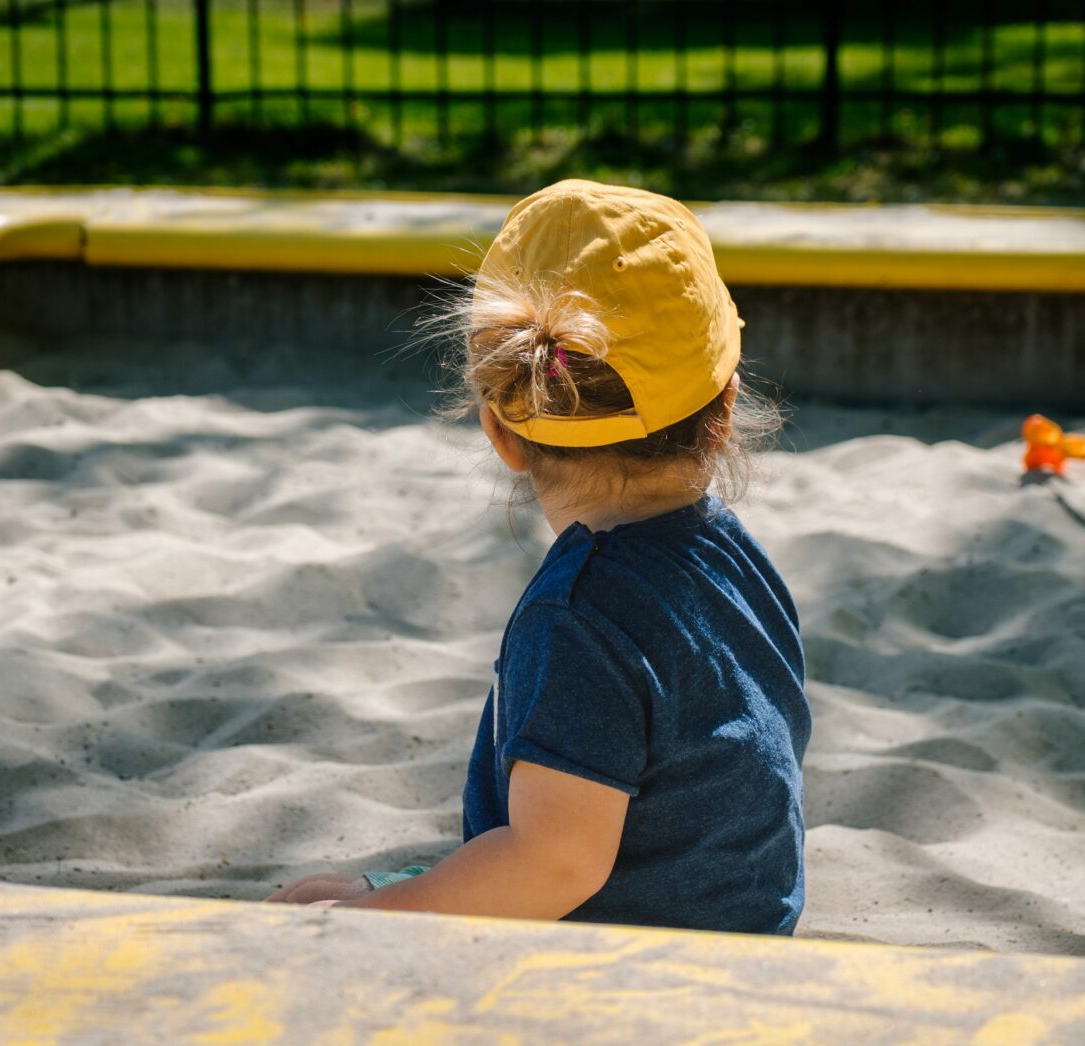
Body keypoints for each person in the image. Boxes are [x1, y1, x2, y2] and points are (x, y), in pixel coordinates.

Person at [268, 180, 810, 934]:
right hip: (743, 934)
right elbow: (686, 800)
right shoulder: (739, 562)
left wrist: (370, 915)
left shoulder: (576, 620)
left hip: (630, 984)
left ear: (501, 434)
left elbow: (556, 864)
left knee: (321, 921)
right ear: (725, 410)